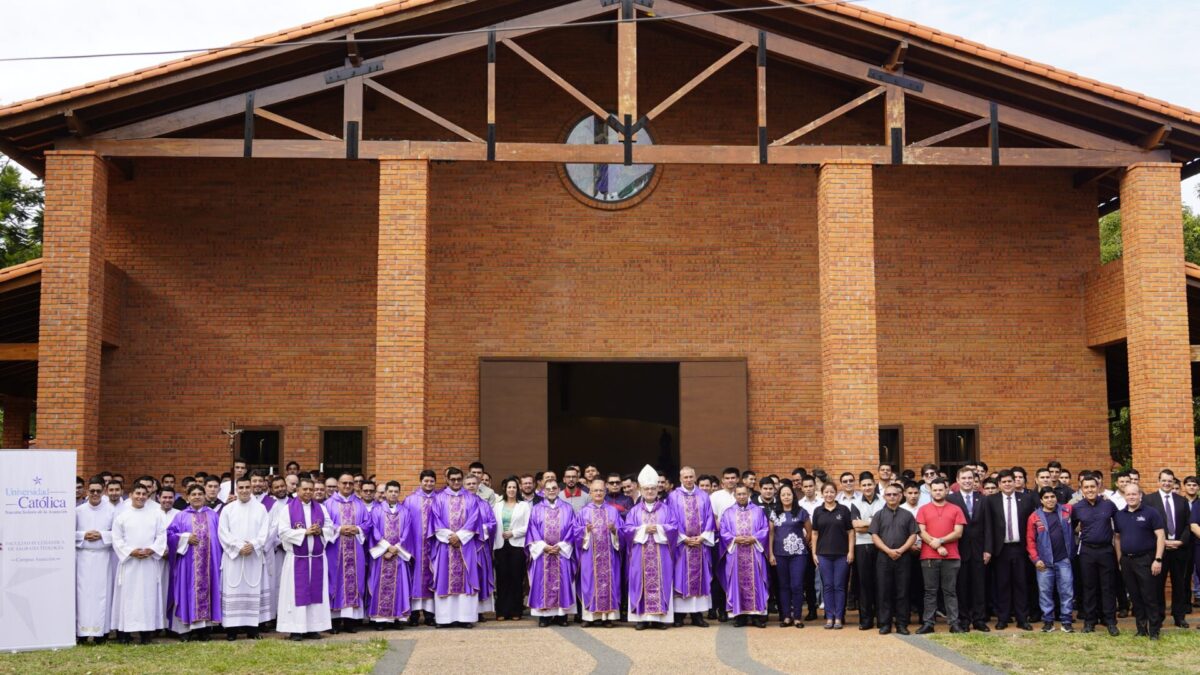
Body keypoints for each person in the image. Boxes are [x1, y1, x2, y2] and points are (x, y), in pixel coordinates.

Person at [274, 477, 335, 640]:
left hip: (316, 558)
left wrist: (320, 530)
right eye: (305, 489)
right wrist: (304, 532)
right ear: (297, 490)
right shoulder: (287, 509)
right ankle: (296, 629)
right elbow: (283, 532)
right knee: (295, 594)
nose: (308, 492)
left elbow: (331, 528)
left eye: (311, 489)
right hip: (296, 559)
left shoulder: (321, 508)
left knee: (316, 593)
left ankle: (313, 628)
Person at [623, 464, 679, 630]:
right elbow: (626, 530)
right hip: (640, 553)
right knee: (640, 582)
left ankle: (659, 618)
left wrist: (660, 529)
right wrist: (643, 529)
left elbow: (674, 527)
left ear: (657, 490)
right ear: (641, 489)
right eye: (647, 489)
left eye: (653, 489)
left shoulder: (667, 510)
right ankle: (641, 618)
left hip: (660, 553)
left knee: (661, 582)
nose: (650, 492)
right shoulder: (634, 511)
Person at [111, 484, 167, 644]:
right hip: (130, 563)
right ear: (130, 495)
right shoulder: (122, 516)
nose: (141, 496)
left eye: (144, 494)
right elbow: (117, 539)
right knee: (127, 597)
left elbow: (161, 535)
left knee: (147, 597)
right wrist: (130, 552)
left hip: (149, 562)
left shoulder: (156, 515)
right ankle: (125, 632)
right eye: (138, 493)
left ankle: (146, 633)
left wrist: (152, 549)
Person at [217, 475, 271, 640]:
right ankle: (231, 631)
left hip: (253, 557)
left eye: (247, 487)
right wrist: (238, 546)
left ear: (251, 488)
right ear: (237, 489)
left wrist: (253, 544)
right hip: (234, 557)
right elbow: (222, 532)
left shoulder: (260, 508)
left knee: (253, 590)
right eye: (241, 488)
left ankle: (252, 629)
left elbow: (265, 531)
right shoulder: (228, 509)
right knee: (233, 590)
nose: (245, 491)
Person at [166, 484, 223, 640]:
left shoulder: (213, 515)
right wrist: (184, 538)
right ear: (187, 497)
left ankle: (203, 631)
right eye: (193, 494)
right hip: (188, 564)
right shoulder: (181, 516)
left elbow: (221, 537)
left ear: (204, 496)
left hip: (209, 563)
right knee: (187, 591)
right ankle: (186, 630)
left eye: (200, 494)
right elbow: (170, 535)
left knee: (208, 591)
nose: (197, 497)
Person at [428, 467, 483, 628]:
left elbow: (474, 519)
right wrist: (450, 537)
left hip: (465, 546)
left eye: (459, 479)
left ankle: (465, 618)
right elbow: (435, 520)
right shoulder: (439, 499)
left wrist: (460, 536)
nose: (457, 482)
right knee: (444, 578)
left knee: (466, 579)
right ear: (447, 480)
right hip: (445, 547)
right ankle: (445, 619)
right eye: (453, 479)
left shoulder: (471, 498)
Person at [983, 469, 1035, 630]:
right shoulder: (991, 500)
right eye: (1003, 482)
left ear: (1015, 482)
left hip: (1020, 548)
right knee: (1002, 584)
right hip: (1001, 549)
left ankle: (1022, 619)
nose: (1007, 484)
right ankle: (1003, 618)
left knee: (1021, 584)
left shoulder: (1026, 499)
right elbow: (988, 527)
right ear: (999, 484)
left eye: (1010, 481)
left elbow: (1031, 525)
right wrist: (988, 549)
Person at [1114, 483, 1166, 639]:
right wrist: (1120, 560)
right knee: (1135, 597)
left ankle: (1154, 630)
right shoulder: (1119, 515)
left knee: (1149, 596)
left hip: (1146, 559)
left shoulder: (1151, 513)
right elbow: (1117, 538)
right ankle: (1141, 629)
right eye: (1128, 494)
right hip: (1127, 561)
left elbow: (1161, 536)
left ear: (1140, 495)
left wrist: (1158, 559)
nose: (1131, 497)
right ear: (1125, 496)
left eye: (1134, 494)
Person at [915, 478, 966, 634]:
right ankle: (928, 623)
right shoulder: (923, 509)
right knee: (930, 591)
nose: (937, 492)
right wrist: (936, 546)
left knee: (950, 591)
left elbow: (959, 532)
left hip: (951, 557)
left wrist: (941, 541)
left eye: (940, 489)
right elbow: (921, 531)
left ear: (946, 490)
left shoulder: (956, 509)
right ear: (930, 491)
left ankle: (954, 623)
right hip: (928, 556)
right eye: (935, 490)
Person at [1071, 474, 1120, 635]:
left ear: (1098, 487)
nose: (1090, 490)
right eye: (1086, 487)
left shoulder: (1108, 505)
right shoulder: (1077, 507)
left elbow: (1119, 527)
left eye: (1093, 487)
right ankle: (1089, 621)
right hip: (1087, 551)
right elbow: (1070, 528)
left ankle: (1110, 621)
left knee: (1108, 587)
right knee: (1089, 587)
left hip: (1106, 550)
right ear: (1082, 489)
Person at [1144, 469, 1193, 628]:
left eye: (1170, 481)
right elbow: (1146, 526)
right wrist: (1162, 542)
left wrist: (1180, 542)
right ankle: (1158, 617)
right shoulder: (1149, 500)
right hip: (1159, 550)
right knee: (1158, 585)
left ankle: (1179, 616)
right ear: (1159, 481)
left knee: (1179, 584)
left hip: (1179, 549)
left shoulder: (1182, 501)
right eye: (1164, 480)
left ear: (1173, 483)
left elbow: (1188, 524)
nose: (1167, 483)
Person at [668, 466, 715, 627]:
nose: (688, 479)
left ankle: (697, 615)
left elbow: (710, 518)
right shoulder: (673, 497)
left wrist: (702, 538)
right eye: (685, 477)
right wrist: (683, 538)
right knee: (681, 578)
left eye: (690, 476)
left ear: (695, 477)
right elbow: (671, 519)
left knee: (699, 579)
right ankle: (680, 615)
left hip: (700, 546)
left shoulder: (704, 496)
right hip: (682, 546)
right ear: (680, 479)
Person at [526, 479, 577, 626]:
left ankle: (562, 617)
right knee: (543, 583)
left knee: (563, 582)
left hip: (561, 553)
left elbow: (572, 529)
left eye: (554, 488)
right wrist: (543, 546)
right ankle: (545, 617)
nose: (551, 490)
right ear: (543, 490)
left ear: (558, 490)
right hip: (543, 554)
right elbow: (532, 529)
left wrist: (561, 546)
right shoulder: (536, 508)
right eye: (548, 488)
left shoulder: (567, 508)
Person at [870, 482, 917, 635]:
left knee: (902, 592)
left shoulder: (907, 515)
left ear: (900, 496)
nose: (892, 497)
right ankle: (885, 624)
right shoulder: (879, 515)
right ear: (884, 496)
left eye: (895, 494)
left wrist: (901, 550)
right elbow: (874, 536)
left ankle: (902, 624)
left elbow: (913, 535)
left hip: (903, 558)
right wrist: (888, 550)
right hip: (884, 558)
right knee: (884, 592)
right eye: (889, 494)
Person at [1025, 486, 1075, 633]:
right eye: (1046, 497)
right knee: (1045, 592)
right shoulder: (1034, 517)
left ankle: (1066, 621)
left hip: (1064, 560)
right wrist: (1035, 559)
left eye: (1052, 497)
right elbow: (1030, 540)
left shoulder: (1066, 510)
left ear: (1056, 498)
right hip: (1044, 562)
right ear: (1041, 500)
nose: (1050, 500)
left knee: (1066, 591)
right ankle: (1048, 621)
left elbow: (1081, 500)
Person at [326, 472, 370, 633]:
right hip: (335, 549)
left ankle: (350, 621)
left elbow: (367, 523)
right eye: (344, 483)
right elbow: (325, 525)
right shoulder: (328, 504)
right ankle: (335, 622)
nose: (347, 486)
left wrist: (357, 528)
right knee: (335, 581)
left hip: (355, 550)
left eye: (350, 483)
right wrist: (339, 529)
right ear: (338, 484)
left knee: (354, 581)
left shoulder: (359, 504)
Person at [719, 484, 769, 628]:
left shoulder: (758, 511)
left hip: (754, 552)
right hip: (736, 553)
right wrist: (734, 539)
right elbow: (723, 531)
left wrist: (755, 538)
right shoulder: (728, 512)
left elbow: (765, 528)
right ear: (734, 495)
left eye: (744, 494)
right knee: (736, 582)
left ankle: (756, 616)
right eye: (739, 494)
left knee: (757, 581)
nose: (741, 496)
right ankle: (739, 616)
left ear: (749, 494)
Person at [946, 467, 988, 632]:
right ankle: (963, 619)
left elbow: (989, 527)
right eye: (964, 478)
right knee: (961, 586)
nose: (967, 481)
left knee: (979, 586)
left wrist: (988, 549)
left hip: (979, 549)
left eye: (970, 478)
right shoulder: (951, 499)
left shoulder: (983, 499)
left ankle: (979, 620)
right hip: (958, 549)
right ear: (957, 479)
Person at [367, 480, 414, 629]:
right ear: (385, 493)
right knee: (379, 585)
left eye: (396, 491)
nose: (393, 494)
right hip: (381, 555)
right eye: (390, 491)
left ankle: (397, 618)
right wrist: (387, 548)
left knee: (400, 585)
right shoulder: (376, 510)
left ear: (399, 493)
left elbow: (408, 532)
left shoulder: (405, 511)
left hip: (399, 555)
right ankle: (380, 620)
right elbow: (373, 530)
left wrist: (396, 548)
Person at [76, 476, 116, 644]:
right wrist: (83, 535)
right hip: (83, 558)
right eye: (92, 491)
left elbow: (118, 534)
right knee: (82, 595)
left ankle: (101, 632)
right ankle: (82, 632)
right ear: (87, 491)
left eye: (98, 491)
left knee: (102, 595)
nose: (95, 494)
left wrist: (102, 534)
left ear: (103, 491)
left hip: (103, 558)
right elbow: (67, 533)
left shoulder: (111, 511)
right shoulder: (78, 511)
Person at [578, 477, 622, 627]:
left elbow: (622, 532)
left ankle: (607, 617)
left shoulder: (613, 511)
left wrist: (614, 530)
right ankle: (590, 617)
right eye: (595, 490)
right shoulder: (583, 512)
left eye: (601, 490)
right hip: (589, 555)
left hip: (609, 557)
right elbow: (574, 533)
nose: (598, 493)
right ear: (590, 492)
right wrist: (585, 531)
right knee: (589, 583)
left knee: (609, 583)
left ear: (605, 492)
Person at [812, 482, 853, 630]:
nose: (829, 494)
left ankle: (839, 617)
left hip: (842, 555)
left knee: (840, 586)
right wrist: (814, 553)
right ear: (822, 494)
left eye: (832, 492)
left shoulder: (843, 510)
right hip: (823, 555)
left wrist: (851, 551)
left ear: (836, 493)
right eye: (826, 492)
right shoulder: (818, 511)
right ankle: (829, 617)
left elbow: (850, 532)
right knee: (828, 586)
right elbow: (815, 533)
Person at [768, 482, 811, 628]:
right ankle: (786, 616)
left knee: (797, 585)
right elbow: (771, 534)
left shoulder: (801, 512)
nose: (786, 497)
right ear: (779, 497)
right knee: (783, 585)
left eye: (789, 494)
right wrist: (771, 553)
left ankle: (798, 617)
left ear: (793, 496)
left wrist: (802, 543)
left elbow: (810, 532)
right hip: (779, 554)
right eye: (783, 495)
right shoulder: (775, 512)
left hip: (798, 554)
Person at [403, 470, 439, 626]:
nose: (429, 484)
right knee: (415, 579)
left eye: (431, 481)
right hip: (415, 545)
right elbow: (404, 523)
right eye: (426, 481)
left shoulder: (440, 499)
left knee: (433, 577)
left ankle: (430, 615)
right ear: (420, 481)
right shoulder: (410, 500)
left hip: (435, 545)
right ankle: (414, 615)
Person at [492, 476, 530, 621]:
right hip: (500, 545)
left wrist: (513, 533)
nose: (512, 490)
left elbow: (528, 526)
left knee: (516, 578)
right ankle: (501, 611)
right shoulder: (497, 505)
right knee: (502, 578)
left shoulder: (524, 505)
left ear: (517, 489)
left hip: (517, 545)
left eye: (514, 487)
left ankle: (516, 610)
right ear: (505, 489)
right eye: (509, 487)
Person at [849, 472, 883, 630]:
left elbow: (883, 524)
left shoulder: (883, 501)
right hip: (862, 546)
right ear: (860, 487)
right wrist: (873, 522)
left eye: (870, 484)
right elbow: (856, 528)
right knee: (864, 584)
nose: (867, 487)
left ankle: (882, 619)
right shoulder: (855, 503)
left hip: (881, 545)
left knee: (881, 583)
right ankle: (866, 620)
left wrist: (866, 523)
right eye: (864, 485)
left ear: (874, 484)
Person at [463, 474, 497, 621]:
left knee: (481, 576)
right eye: (468, 483)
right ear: (464, 486)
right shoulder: (459, 504)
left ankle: (479, 610)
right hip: (464, 548)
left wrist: (478, 531)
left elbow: (492, 523)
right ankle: (465, 610)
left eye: (473, 483)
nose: (471, 486)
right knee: (467, 578)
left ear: (478, 486)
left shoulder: (484, 504)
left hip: (480, 546)